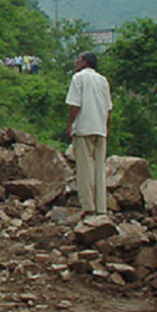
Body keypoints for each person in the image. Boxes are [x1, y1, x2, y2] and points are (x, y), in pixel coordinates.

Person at [65, 51, 112, 217]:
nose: (76, 61)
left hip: (84, 128)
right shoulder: (102, 80)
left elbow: (75, 104)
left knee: (85, 169)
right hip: (100, 129)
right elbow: (108, 109)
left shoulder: (79, 78)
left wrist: (70, 124)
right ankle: (101, 208)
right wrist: (106, 128)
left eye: (79, 58)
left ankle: (88, 207)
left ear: (85, 62)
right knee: (99, 169)